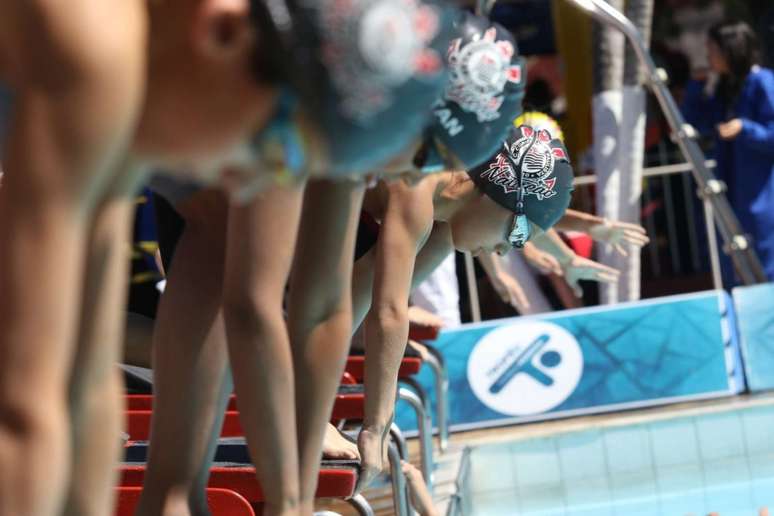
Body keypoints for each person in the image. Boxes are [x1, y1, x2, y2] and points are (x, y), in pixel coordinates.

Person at [137, 9, 526, 516]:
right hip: (119, 89)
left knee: (216, 239)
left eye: (437, 167)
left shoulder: (354, 128)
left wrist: (295, 491)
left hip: (179, 121)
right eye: (427, 156)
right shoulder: (315, 111)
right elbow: (253, 308)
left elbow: (322, 309)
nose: (416, 177)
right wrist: (290, 497)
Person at [682, 20, 774, 284]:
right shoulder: (726, 87)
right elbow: (697, 124)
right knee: (734, 264)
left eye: (713, 48)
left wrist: (745, 128)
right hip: (732, 190)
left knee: (763, 266)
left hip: (761, 196)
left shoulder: (762, 83)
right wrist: (695, 88)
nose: (708, 55)